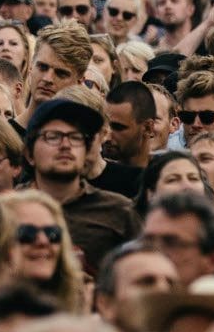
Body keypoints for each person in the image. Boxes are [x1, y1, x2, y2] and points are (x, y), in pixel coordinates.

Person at [19, 98, 140, 273]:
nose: (66, 145)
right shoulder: (6, 211)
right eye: (53, 137)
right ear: (29, 153)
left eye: (76, 137)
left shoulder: (118, 211)